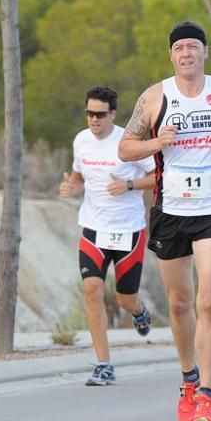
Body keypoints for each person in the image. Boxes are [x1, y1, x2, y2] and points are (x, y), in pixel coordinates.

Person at [118, 21, 211, 421]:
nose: (186, 54)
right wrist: (157, 142)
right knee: (180, 303)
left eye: (193, 47)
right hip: (170, 210)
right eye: (179, 48)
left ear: (205, 53)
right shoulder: (154, 97)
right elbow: (126, 148)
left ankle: (209, 397)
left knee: (208, 299)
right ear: (171, 56)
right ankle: (189, 380)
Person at [59, 86, 156, 386]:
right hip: (93, 228)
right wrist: (71, 186)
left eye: (100, 114)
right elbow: (78, 175)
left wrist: (129, 185)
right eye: (90, 113)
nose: (94, 120)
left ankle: (138, 311)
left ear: (113, 114)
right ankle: (104, 364)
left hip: (128, 230)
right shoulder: (81, 140)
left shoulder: (129, 141)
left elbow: (157, 178)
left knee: (125, 300)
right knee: (91, 290)